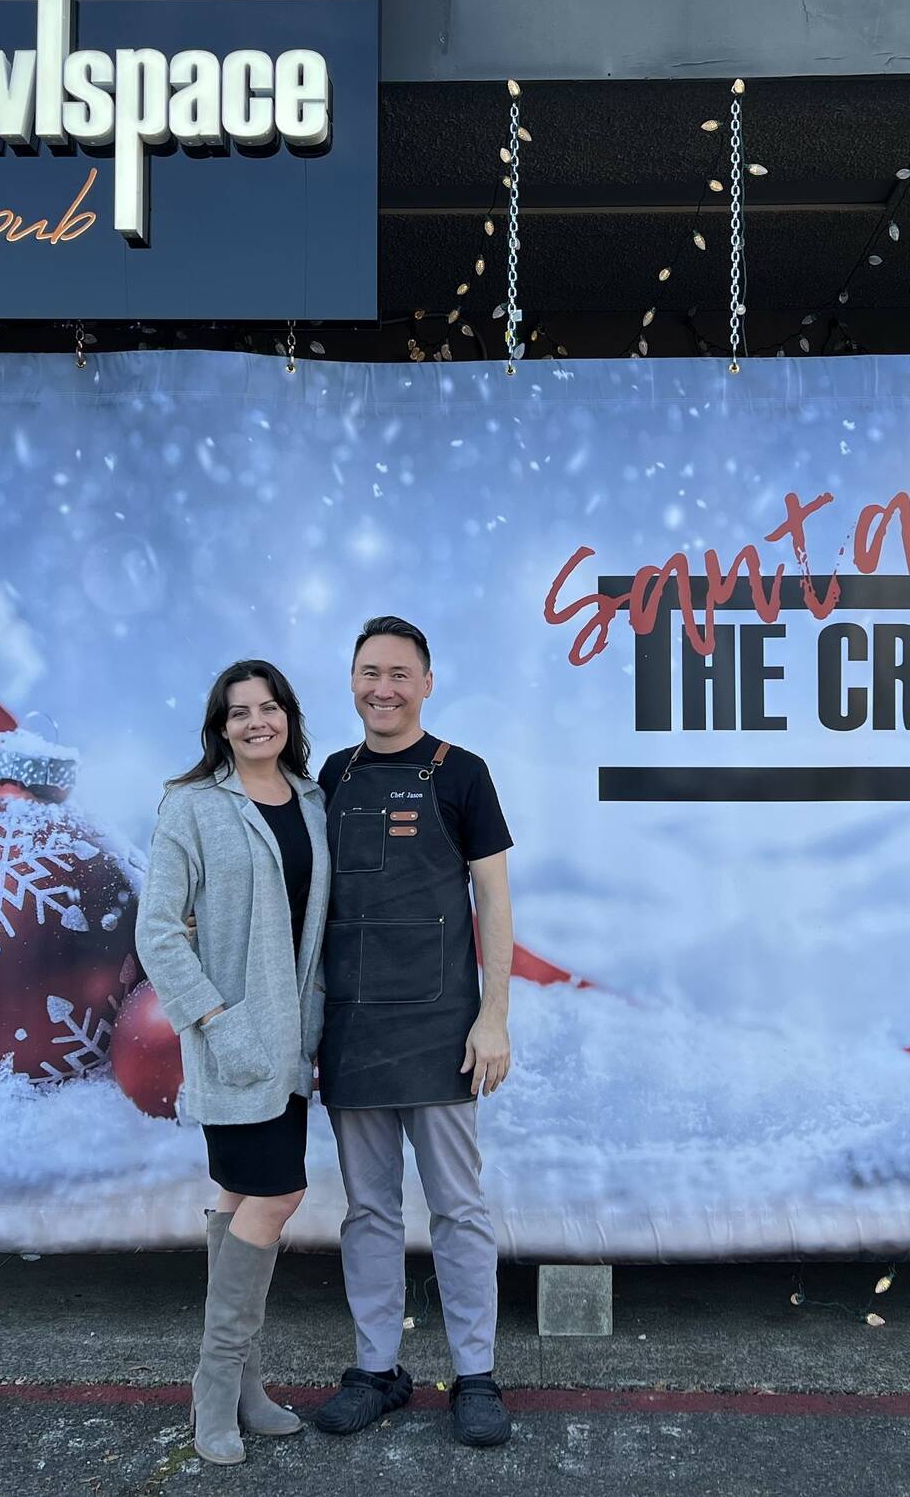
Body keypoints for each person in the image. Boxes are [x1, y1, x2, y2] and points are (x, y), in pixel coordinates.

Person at [309, 615, 517, 1449]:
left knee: (459, 1209)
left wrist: (493, 1015)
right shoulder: (332, 775)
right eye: (369, 672)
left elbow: (494, 901)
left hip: (442, 1028)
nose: (382, 688)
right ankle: (377, 1369)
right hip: (354, 1028)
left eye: (399, 673)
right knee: (368, 1210)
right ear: (352, 682)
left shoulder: (462, 774)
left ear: (427, 683)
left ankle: (476, 1374)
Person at [134, 660, 330, 1467]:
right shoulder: (193, 807)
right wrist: (217, 1021)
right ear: (220, 727)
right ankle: (212, 1390)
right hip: (234, 1041)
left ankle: (246, 1390)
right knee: (278, 1193)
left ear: (287, 715)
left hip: (294, 1043)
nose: (257, 722)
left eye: (269, 707)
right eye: (239, 712)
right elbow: (158, 932)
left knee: (239, 1194)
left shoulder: (314, 801)